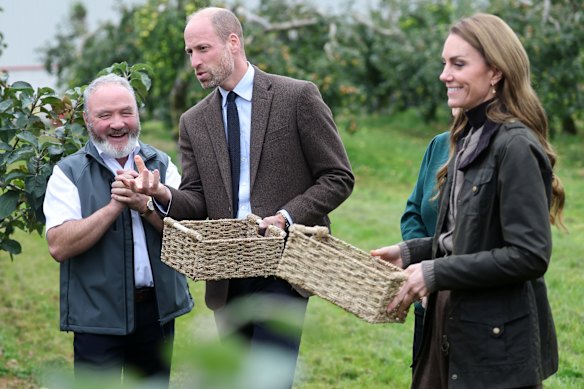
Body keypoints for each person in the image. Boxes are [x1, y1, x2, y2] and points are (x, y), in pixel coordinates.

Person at [122, 6, 354, 388]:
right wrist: (162, 192)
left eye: (202, 49)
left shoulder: (297, 97)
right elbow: (196, 201)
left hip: (285, 266)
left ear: (233, 41)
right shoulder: (193, 121)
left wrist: (285, 216)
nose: (195, 61)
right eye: (189, 53)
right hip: (227, 272)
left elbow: (337, 177)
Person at [372, 13, 565, 388]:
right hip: (450, 322)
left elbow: (530, 255)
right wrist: (412, 252)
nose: (445, 74)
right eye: (445, 63)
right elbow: (467, 237)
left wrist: (436, 272)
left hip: (493, 343)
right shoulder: (467, 136)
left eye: (458, 64)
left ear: (495, 72)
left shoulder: (516, 146)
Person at [43, 74, 193, 387]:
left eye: (126, 112)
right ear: (87, 120)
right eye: (104, 115)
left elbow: (187, 240)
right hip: (96, 315)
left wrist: (145, 207)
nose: (117, 124)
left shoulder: (163, 165)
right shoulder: (69, 172)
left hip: (156, 312)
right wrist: (114, 207)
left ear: (138, 113)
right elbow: (59, 245)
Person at [400, 130, 449, 364]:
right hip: (428, 303)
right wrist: (421, 268)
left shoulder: (505, 147)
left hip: (470, 311)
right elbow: (413, 212)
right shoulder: (439, 145)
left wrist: (434, 274)